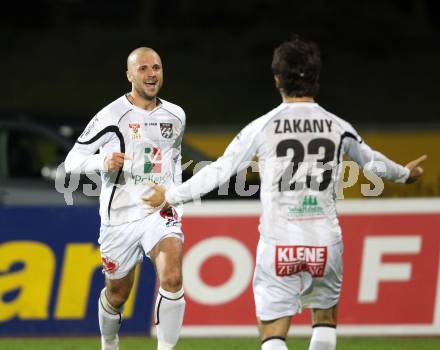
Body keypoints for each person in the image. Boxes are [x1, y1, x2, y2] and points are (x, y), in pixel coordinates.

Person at [144, 37, 427, 350]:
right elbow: (372, 161)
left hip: (280, 242)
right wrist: (405, 174)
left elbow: (219, 171)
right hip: (325, 242)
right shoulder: (338, 126)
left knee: (273, 332)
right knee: (325, 318)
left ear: (277, 78)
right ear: (316, 78)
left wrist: (170, 195)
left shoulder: (262, 127)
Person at [65, 47, 186, 350]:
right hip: (118, 219)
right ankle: (109, 341)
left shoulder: (176, 115)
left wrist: (175, 200)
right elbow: (72, 162)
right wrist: (101, 164)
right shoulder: (110, 115)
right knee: (117, 295)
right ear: (129, 74)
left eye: (156, 67)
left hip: (158, 213)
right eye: (143, 68)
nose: (151, 74)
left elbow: (174, 162)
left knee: (172, 277)